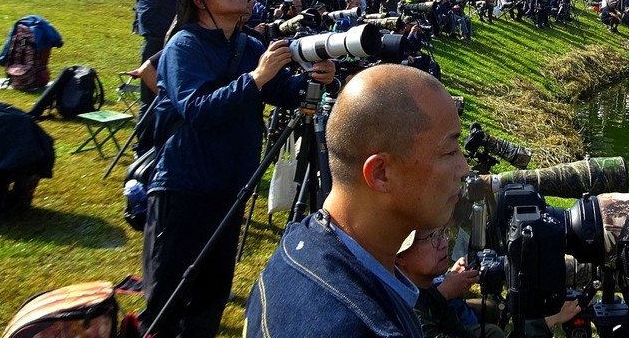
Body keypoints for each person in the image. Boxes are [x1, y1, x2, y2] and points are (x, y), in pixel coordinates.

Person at [140, 0, 336, 338]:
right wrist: (257, 77)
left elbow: (281, 90)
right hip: (185, 186)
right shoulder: (184, 45)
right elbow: (197, 109)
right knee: (168, 300)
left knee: (210, 301)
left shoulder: (246, 45)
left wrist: (315, 80)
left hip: (231, 189)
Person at [245, 65, 469, 337]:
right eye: (449, 152)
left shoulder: (298, 244)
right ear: (381, 173)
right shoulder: (360, 326)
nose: (464, 169)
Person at [396, 227, 581, 338]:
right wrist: (546, 322)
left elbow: (460, 331)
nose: (443, 243)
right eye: (432, 238)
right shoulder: (408, 312)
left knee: (491, 327)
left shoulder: (417, 289)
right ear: (400, 256)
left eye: (441, 233)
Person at [133, 0, 189, 153]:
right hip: (157, 46)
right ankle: (143, 149)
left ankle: (166, 146)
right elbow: (147, 20)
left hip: (178, 47)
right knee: (151, 101)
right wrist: (176, 29)